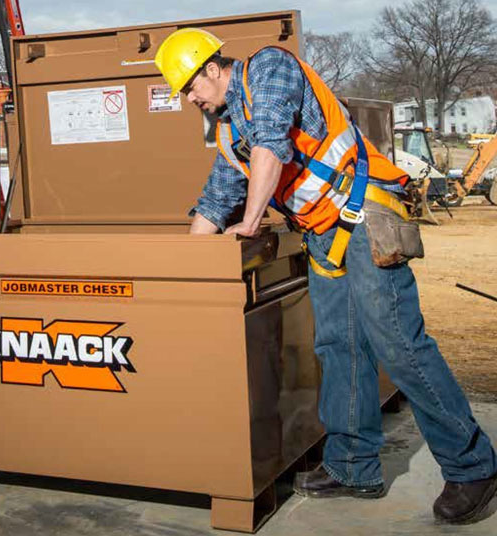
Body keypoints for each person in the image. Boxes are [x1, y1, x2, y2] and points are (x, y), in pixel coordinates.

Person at [155, 28, 497, 525]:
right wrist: (182, 273)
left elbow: (273, 142)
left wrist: (250, 224)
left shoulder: (269, 69)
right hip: (324, 238)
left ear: (212, 68)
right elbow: (212, 203)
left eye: (190, 87)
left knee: (400, 344)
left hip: (365, 219)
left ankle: (473, 468)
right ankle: (352, 465)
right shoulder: (230, 132)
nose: (191, 100)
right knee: (338, 345)